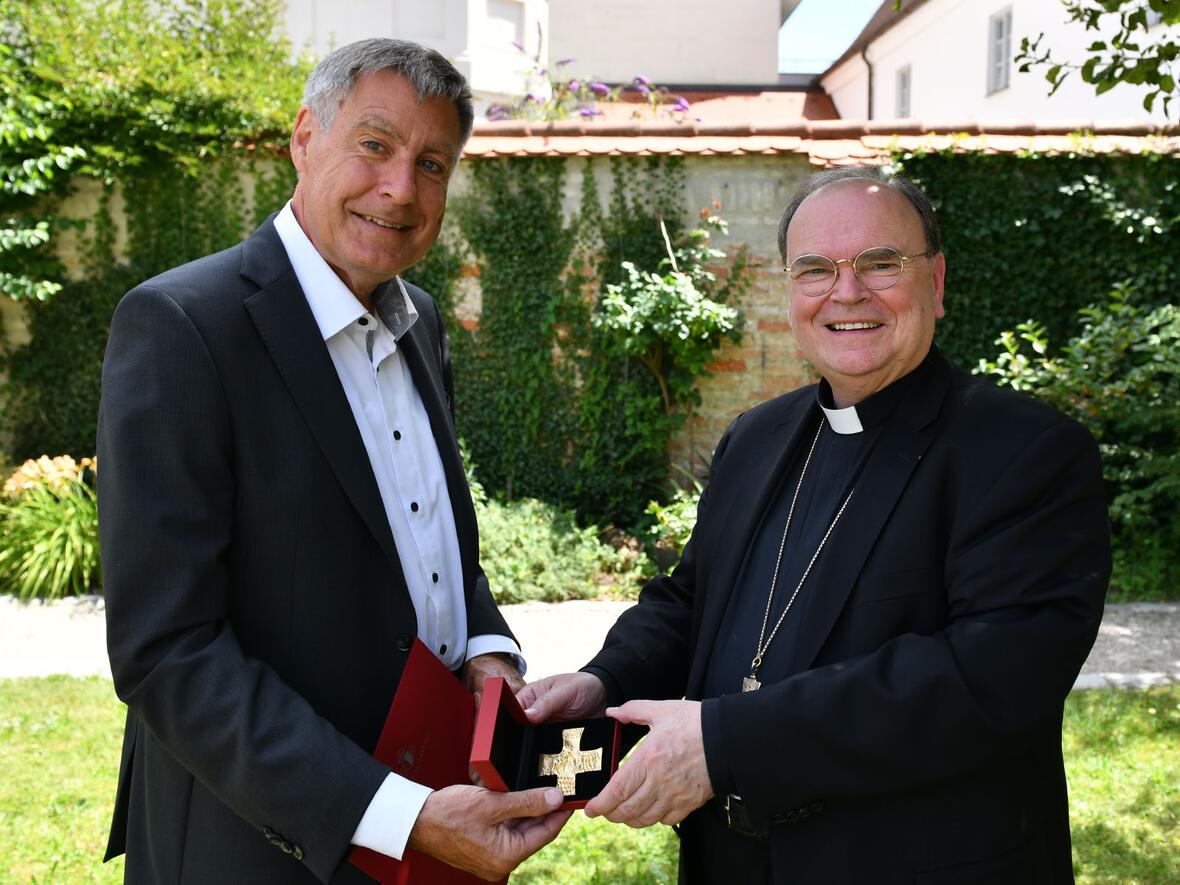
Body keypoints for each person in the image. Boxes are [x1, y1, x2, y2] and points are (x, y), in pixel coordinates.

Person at [519, 166, 1111, 883]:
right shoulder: (756, 437)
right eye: (815, 269)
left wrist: (725, 741)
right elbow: (691, 600)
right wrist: (604, 680)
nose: (848, 291)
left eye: (880, 263)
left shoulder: (1024, 451)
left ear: (938, 282)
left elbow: (985, 681)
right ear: (790, 291)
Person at [98, 39, 569, 884]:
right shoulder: (182, 327)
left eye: (433, 163)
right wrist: (394, 813)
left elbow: (427, 533)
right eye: (376, 145)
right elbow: (166, 651)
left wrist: (486, 647)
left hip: (433, 813)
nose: (401, 189)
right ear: (305, 136)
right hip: (258, 841)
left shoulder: (419, 319)